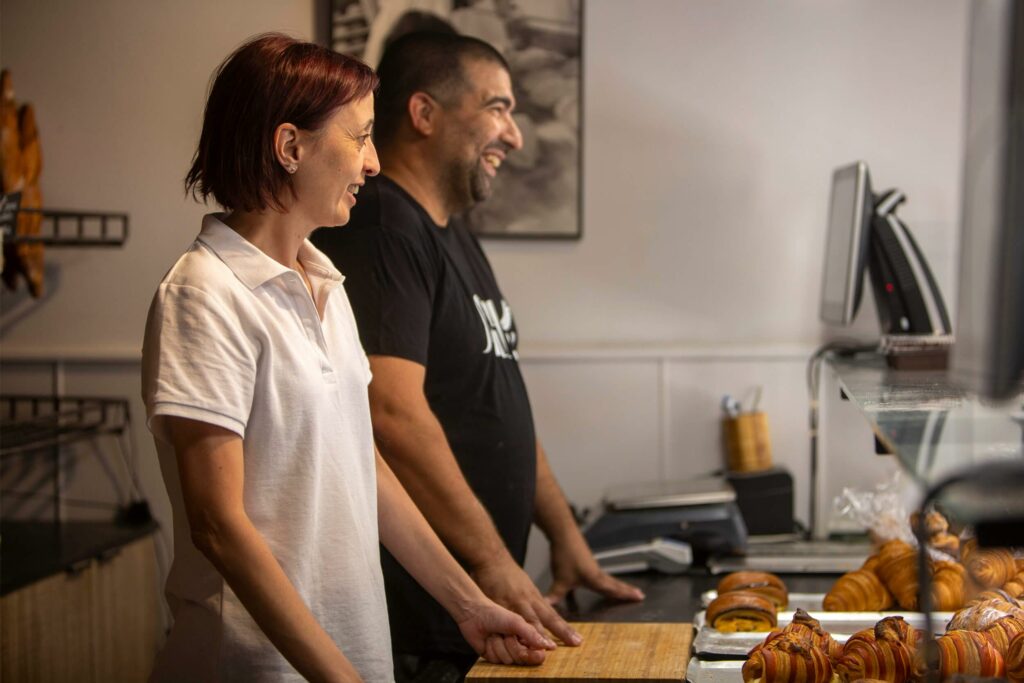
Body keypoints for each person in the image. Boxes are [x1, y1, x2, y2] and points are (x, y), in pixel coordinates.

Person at [141, 33, 555, 682]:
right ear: (289, 146)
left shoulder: (326, 283)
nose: (374, 165)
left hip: (354, 652)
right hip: (255, 668)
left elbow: (367, 467)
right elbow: (218, 524)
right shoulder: (204, 293)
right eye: (360, 138)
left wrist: (469, 603)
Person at [311, 32, 644, 681]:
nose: (514, 137)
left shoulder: (452, 234)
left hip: (479, 608)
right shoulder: (384, 228)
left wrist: (567, 539)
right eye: (497, 108)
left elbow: (500, 402)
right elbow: (393, 413)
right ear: (425, 113)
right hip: (426, 620)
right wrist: (491, 562)